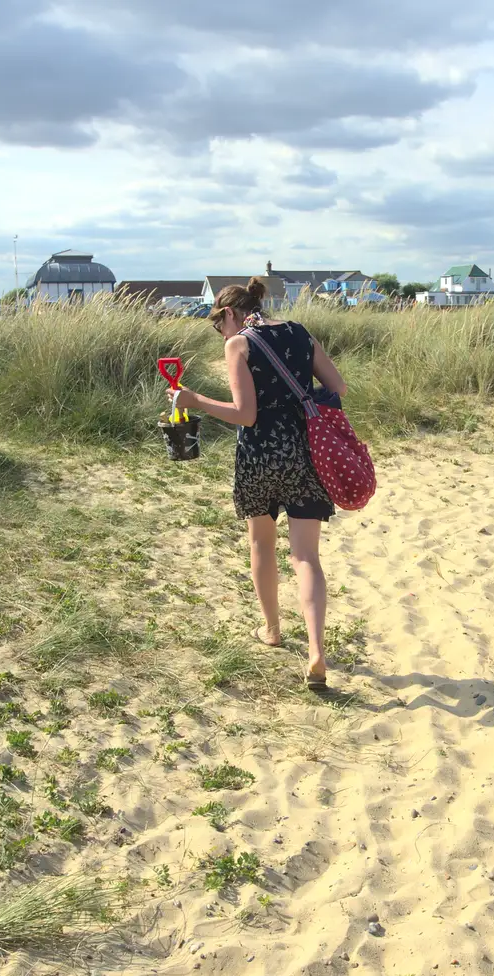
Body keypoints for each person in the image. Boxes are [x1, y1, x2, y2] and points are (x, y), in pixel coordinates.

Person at [167, 278, 347, 692]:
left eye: (218, 325)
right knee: (306, 557)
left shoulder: (239, 344)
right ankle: (316, 649)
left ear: (230, 313)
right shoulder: (299, 332)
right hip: (306, 453)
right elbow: (338, 388)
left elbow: (245, 415)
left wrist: (194, 401)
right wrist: (300, 404)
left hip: (260, 457)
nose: (221, 335)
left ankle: (271, 630)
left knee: (262, 545)